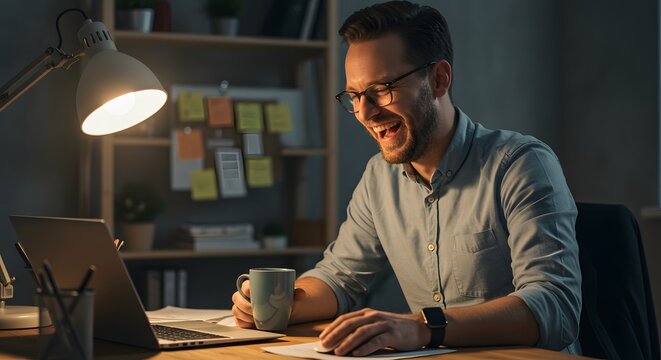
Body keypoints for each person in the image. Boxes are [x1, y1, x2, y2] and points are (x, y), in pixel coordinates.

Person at [232, 1, 581, 356]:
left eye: (381, 88)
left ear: (440, 79)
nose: (365, 113)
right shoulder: (379, 177)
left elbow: (555, 307)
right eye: (354, 96)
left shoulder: (519, 164)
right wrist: (282, 304)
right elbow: (339, 277)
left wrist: (422, 327)